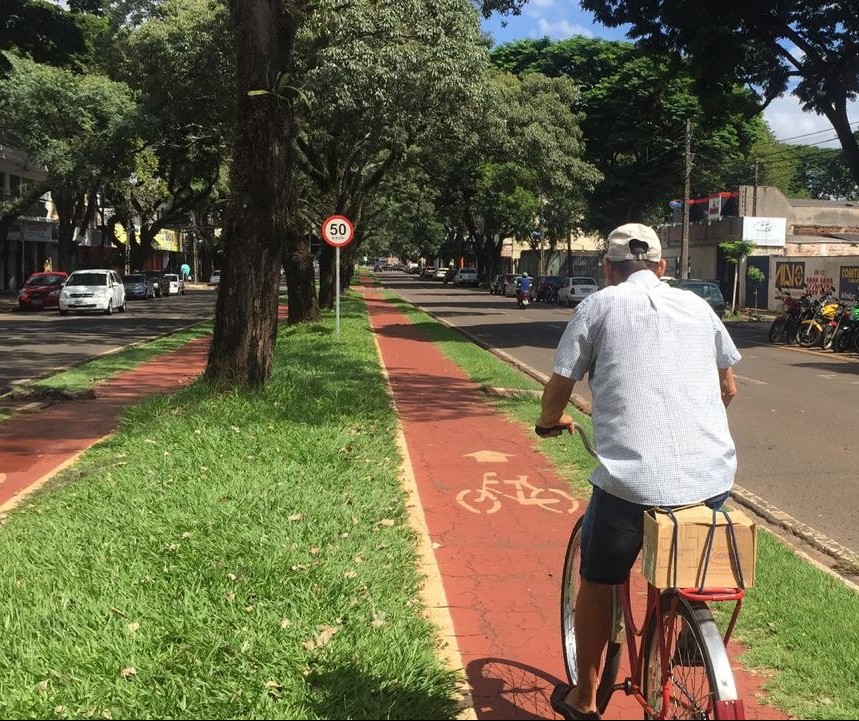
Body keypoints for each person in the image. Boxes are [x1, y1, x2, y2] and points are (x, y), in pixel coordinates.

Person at [535, 222, 740, 721]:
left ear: (608, 269)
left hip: (628, 486)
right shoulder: (698, 306)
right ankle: (683, 645)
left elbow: (560, 385)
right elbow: (728, 388)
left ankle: (584, 698)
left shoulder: (598, 306)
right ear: (663, 267)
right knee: (681, 572)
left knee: (600, 580)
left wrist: (547, 423)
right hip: (709, 480)